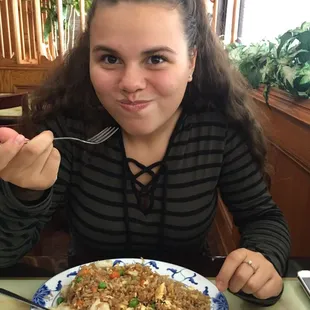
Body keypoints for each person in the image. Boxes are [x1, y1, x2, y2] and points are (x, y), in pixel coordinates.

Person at [0, 0, 290, 305]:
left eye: (156, 58)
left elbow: (262, 217)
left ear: (191, 62)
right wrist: (23, 195)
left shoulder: (218, 130)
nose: (131, 84)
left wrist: (262, 260)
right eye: (110, 58)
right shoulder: (68, 131)